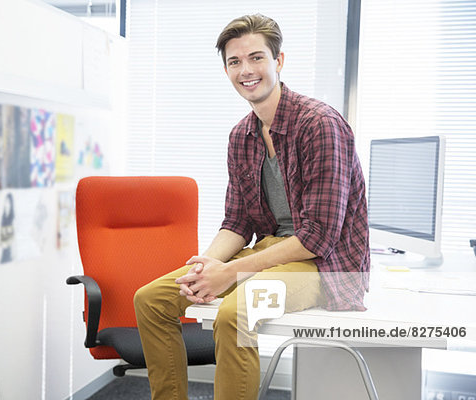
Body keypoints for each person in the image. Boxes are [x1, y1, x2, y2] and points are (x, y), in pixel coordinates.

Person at [133, 13, 370, 400]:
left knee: (235, 313)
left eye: (256, 58)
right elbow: (238, 221)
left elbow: (317, 239)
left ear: (278, 62)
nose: (246, 70)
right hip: (272, 253)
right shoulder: (241, 135)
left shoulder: (320, 124)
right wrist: (205, 267)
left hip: (322, 268)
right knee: (151, 299)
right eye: (234, 61)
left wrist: (229, 273)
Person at [0, 192, 15, 263]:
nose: (6, 205)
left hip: (10, 256)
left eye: (8, 203)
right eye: (5, 203)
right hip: (3, 256)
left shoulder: (12, 220)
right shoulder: (3, 219)